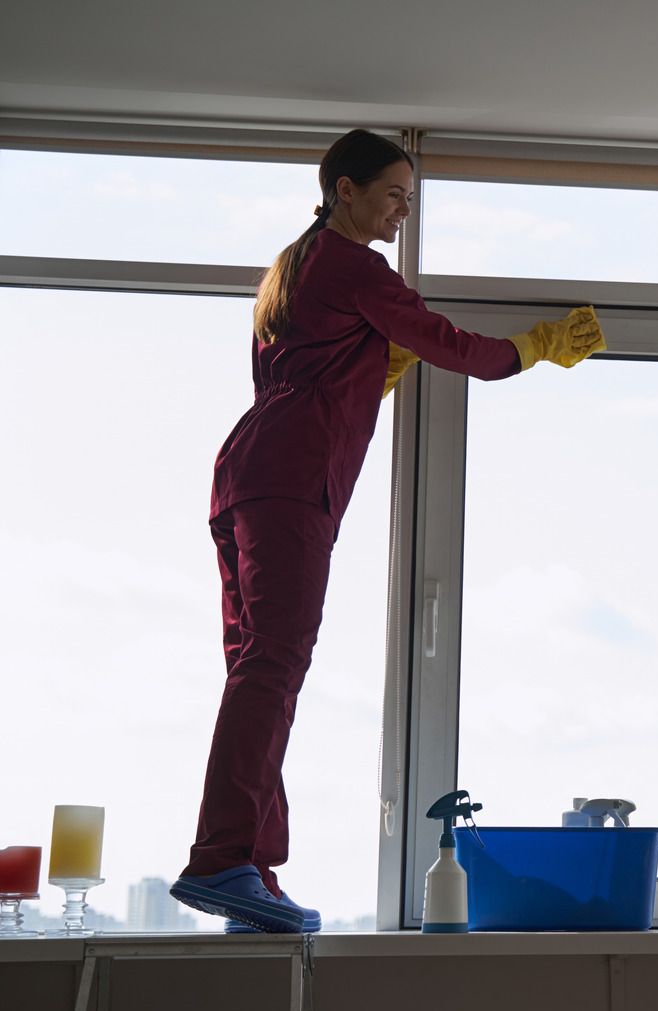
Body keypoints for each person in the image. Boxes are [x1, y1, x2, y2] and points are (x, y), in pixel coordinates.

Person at [170, 129, 607, 933]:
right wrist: (537, 347)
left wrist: (377, 366)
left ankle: (250, 871)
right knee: (272, 668)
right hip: (291, 484)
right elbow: (457, 347)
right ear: (345, 189)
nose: (403, 210)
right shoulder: (354, 265)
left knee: (258, 670)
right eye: (394, 195)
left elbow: (310, 372)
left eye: (410, 199)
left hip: (246, 478)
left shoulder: (294, 267)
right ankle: (224, 860)